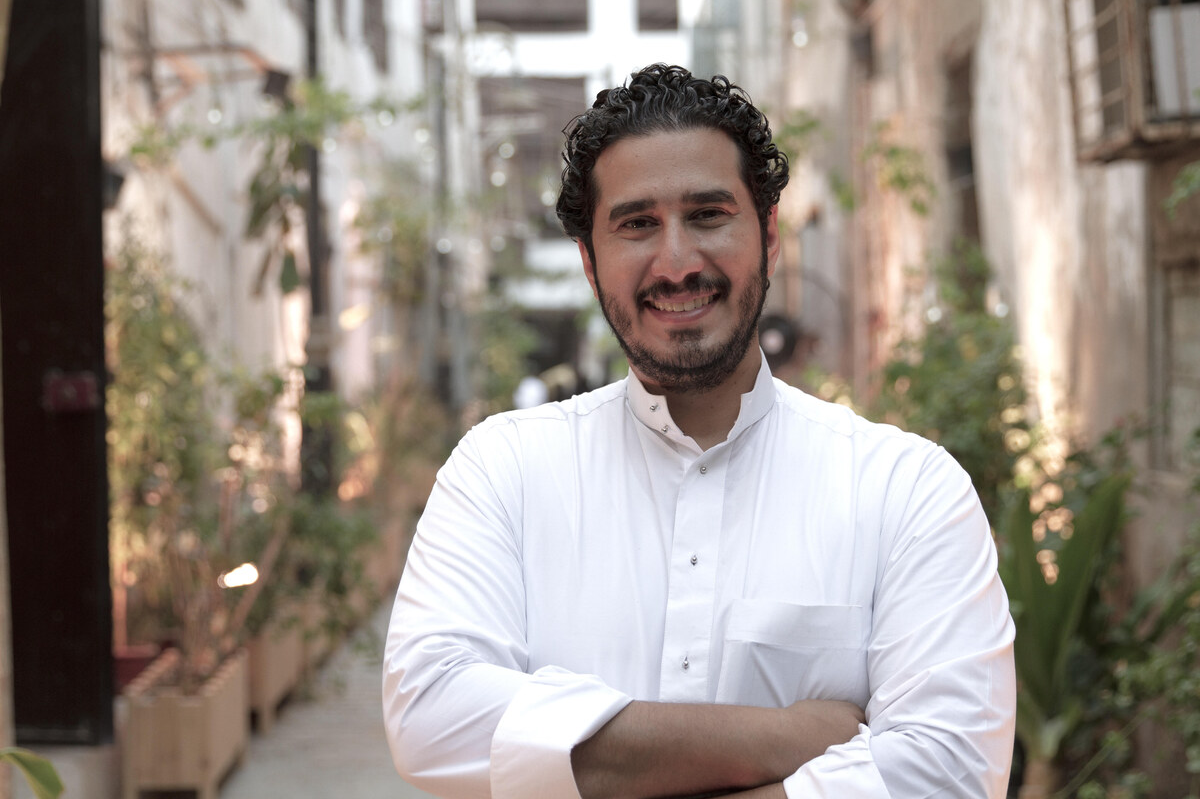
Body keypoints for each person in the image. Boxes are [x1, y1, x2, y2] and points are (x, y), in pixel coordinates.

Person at [383, 63, 1016, 798]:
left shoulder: (906, 490)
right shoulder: (503, 472)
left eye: (708, 215)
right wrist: (787, 737)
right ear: (590, 262)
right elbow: (432, 716)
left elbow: (948, 772)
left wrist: (570, 756)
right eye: (637, 224)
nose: (677, 263)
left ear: (769, 236)